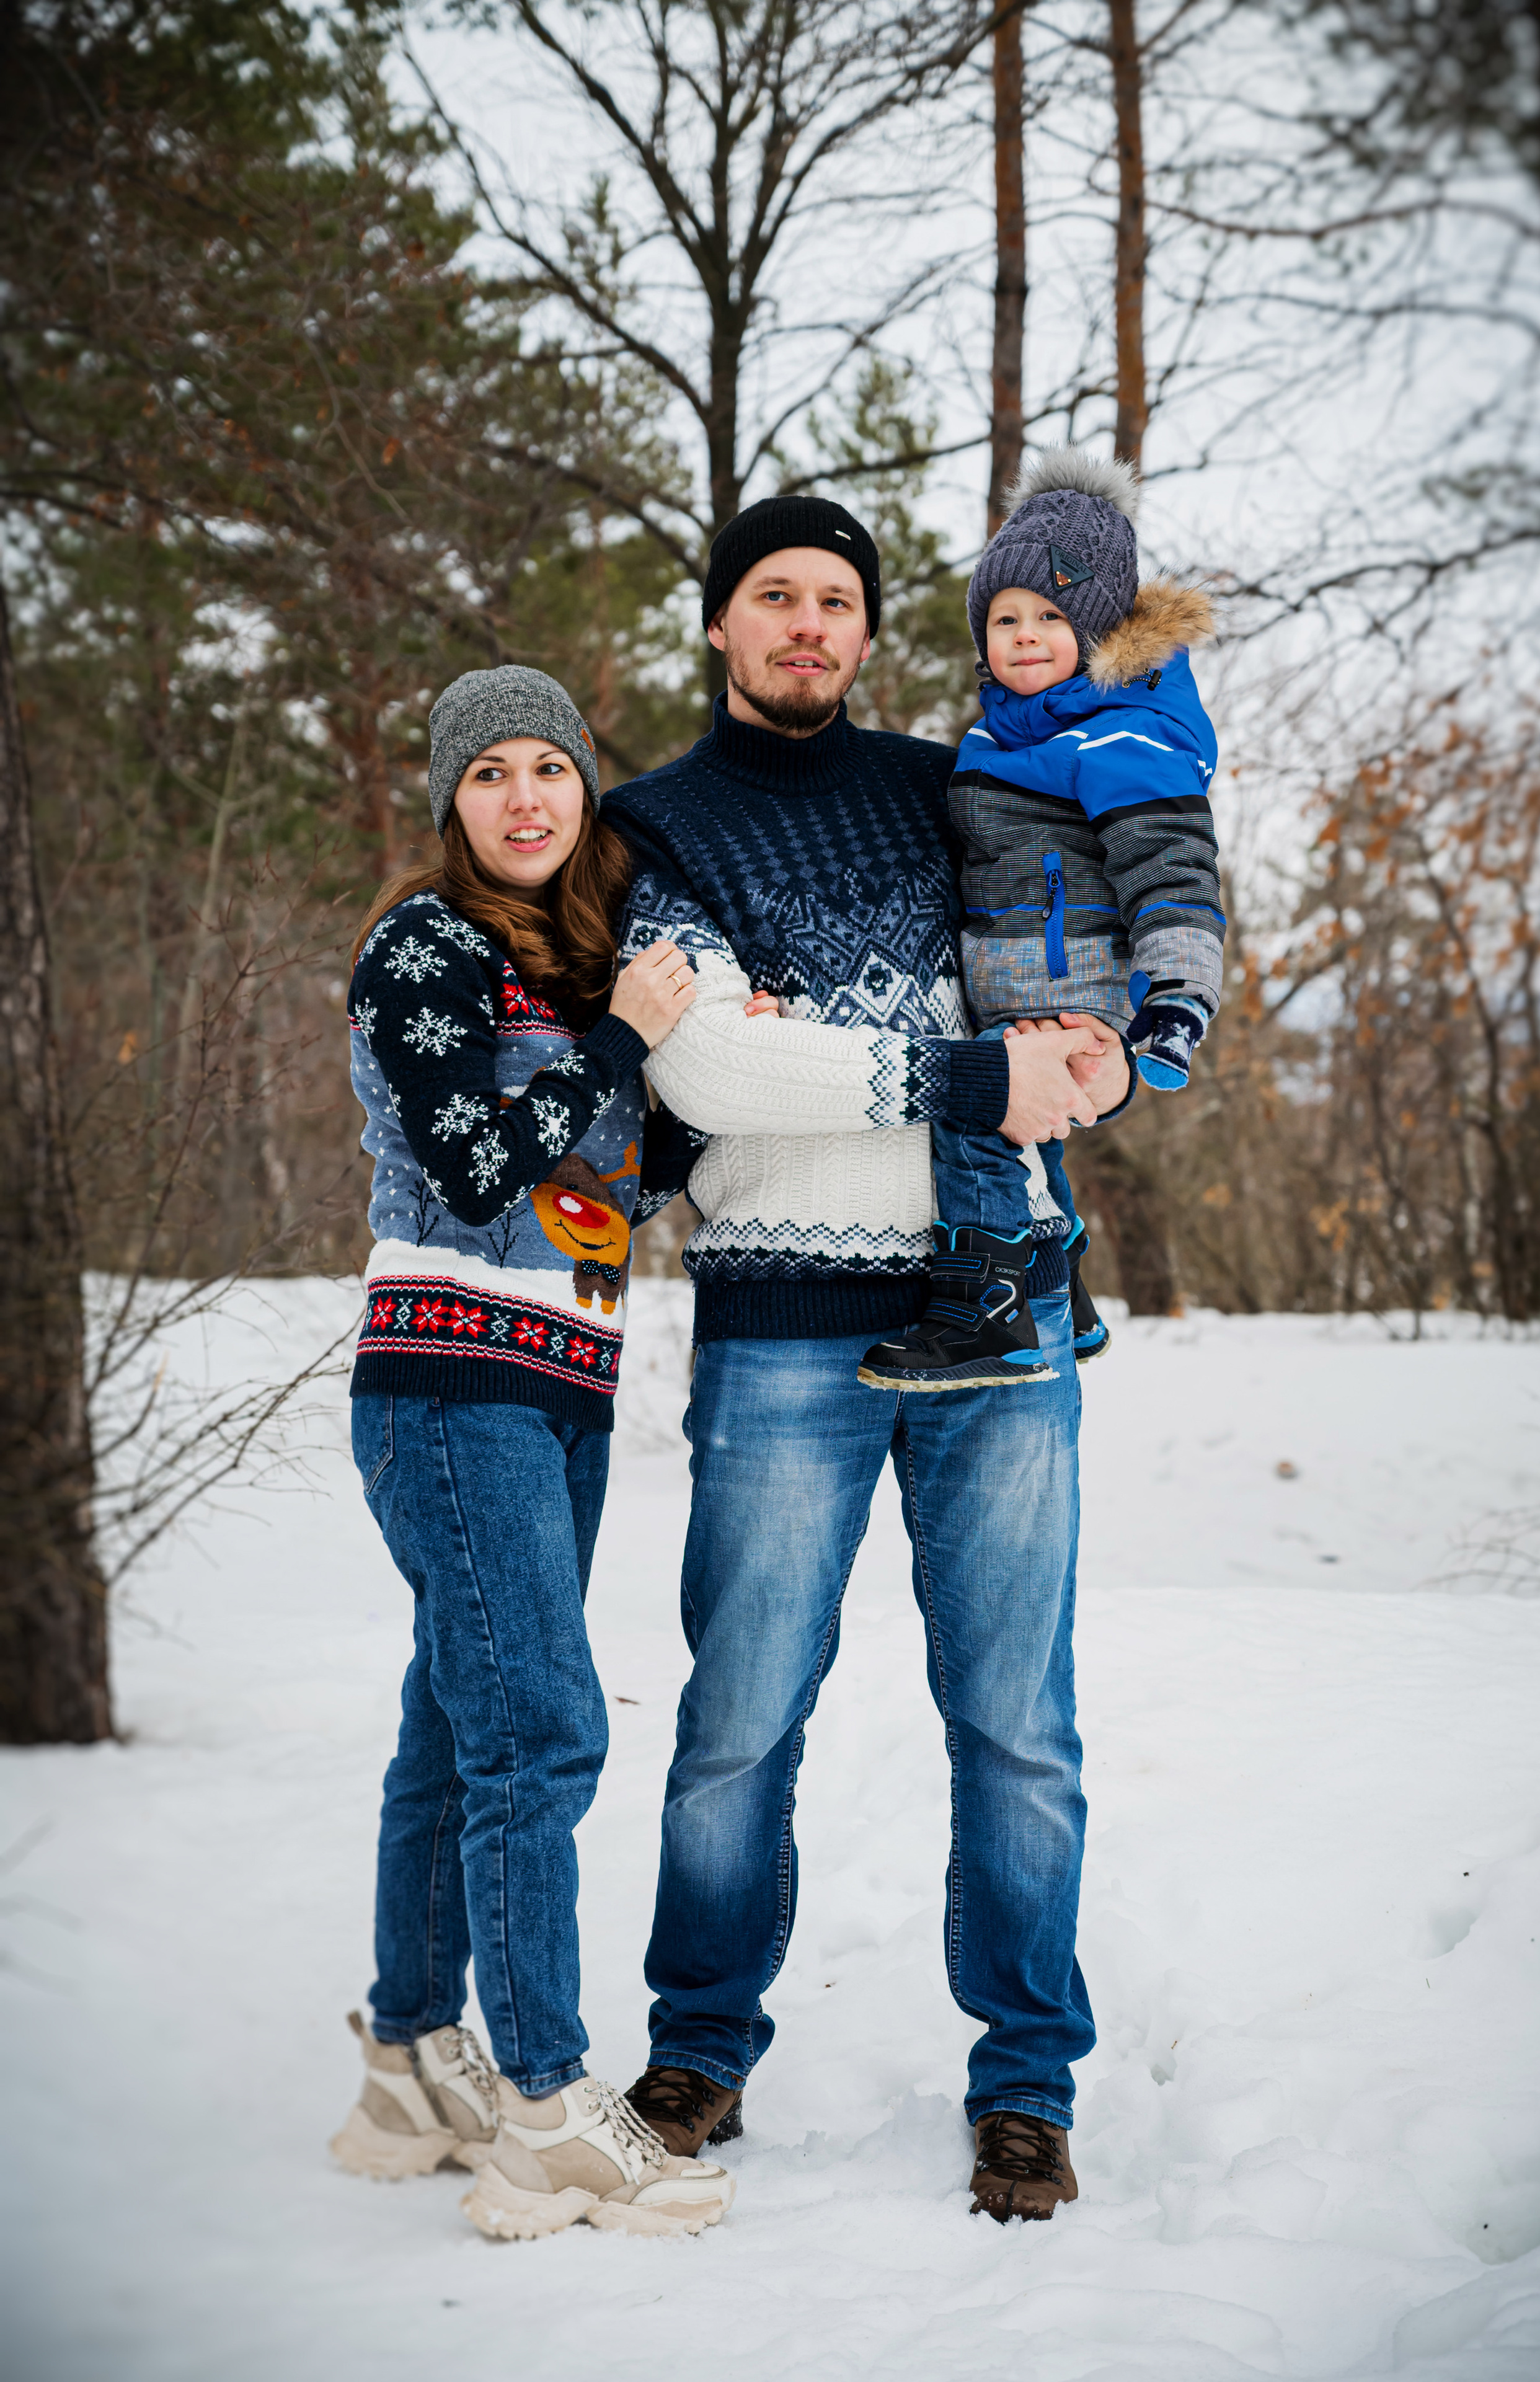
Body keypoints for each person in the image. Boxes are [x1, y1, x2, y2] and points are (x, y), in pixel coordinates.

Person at [600, 495, 1136, 2223]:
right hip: (782, 1328)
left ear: (865, 627)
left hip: (998, 1318)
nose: (810, 625)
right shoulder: (650, 831)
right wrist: (965, 1080)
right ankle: (699, 2047)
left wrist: (1109, 1053)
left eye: (839, 599)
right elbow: (708, 1080)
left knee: (1018, 1724)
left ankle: (1029, 2083)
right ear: (721, 627)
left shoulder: (955, 783)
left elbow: (1082, 945)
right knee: (741, 1721)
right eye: (777, 597)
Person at [330, 663, 735, 2244]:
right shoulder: (421, 947)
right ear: (453, 802)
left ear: (582, 794)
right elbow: (474, 1156)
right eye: (488, 772)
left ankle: (411, 2065)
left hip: (554, 1384)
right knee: (543, 1735)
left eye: (549, 771)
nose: (522, 798)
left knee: (460, 1719)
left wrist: (681, 1050)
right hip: (447, 1384)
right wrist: (619, 1039)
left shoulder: (580, 972)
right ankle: (549, 2115)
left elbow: (605, 1198)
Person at [859, 445, 1222, 1392]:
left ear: (1099, 628)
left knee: (975, 1119)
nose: (1023, 634)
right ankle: (1059, 1279)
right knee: (1026, 1135)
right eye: (1005, 617)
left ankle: (991, 1307)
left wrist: (1177, 1000)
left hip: (1075, 990)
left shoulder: (1121, 733)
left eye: (1051, 617)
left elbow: (1173, 870)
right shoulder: (1003, 732)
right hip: (1017, 983)